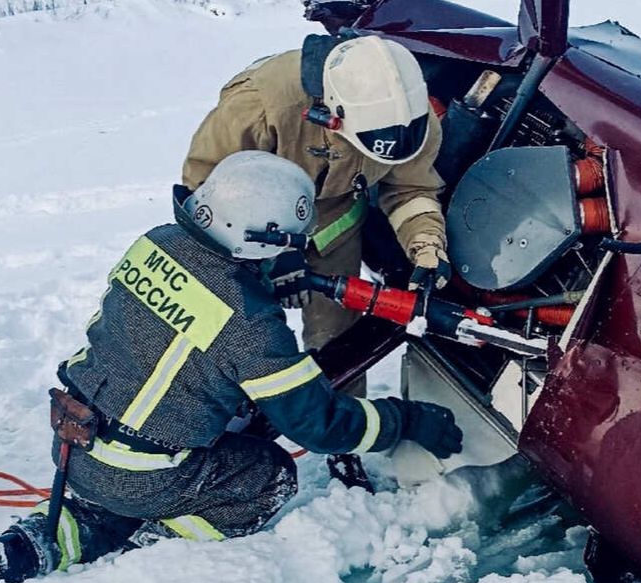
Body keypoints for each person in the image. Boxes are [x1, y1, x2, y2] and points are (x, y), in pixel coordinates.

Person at [0, 151, 461, 583]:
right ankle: (153, 546)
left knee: (131, 481)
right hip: (141, 471)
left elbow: (190, 316)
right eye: (289, 244)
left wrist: (258, 277)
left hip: (74, 440)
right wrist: (406, 419)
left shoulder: (157, 242)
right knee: (267, 475)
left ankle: (30, 546)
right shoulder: (251, 325)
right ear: (262, 243)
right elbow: (321, 426)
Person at [183, 35, 451, 394]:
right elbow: (205, 186)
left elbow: (410, 189)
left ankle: (342, 425)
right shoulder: (260, 104)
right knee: (235, 326)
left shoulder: (412, 120)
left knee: (337, 331)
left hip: (333, 217)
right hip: (244, 221)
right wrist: (274, 254)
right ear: (332, 116)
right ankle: (212, 406)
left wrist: (427, 247)